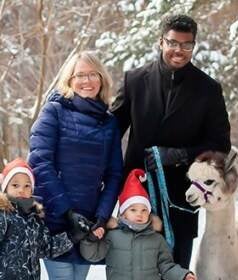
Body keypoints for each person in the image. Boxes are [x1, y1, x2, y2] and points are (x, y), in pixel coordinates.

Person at [111, 14, 231, 268]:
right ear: (161, 41)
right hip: (138, 194)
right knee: (136, 268)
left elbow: (220, 143)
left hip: (182, 196)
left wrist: (178, 155)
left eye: (187, 45)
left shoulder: (209, 89)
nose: (179, 50)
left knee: (176, 268)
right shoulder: (134, 80)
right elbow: (111, 131)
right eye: (173, 43)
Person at [28, 51, 123, 279]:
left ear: (102, 79)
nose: (87, 81)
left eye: (93, 74)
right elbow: (40, 163)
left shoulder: (109, 122)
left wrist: (101, 215)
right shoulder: (54, 111)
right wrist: (67, 212)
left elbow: (114, 174)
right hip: (57, 219)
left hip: (88, 223)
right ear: (69, 80)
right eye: (80, 75)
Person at [80, 169, 197, 280]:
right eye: (133, 210)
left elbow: (167, 266)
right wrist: (91, 240)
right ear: (123, 213)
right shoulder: (112, 236)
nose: (139, 214)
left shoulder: (157, 239)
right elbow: (92, 255)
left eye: (144, 210)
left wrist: (183, 275)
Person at [0, 158, 73, 280]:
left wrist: (72, 236)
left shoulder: (35, 218)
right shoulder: (3, 215)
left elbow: (46, 248)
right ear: (5, 188)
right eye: (15, 185)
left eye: (27, 185)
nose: (21, 190)